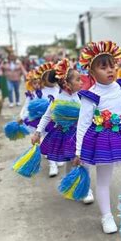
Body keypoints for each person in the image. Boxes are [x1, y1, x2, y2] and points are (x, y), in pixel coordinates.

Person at [74, 40, 121, 234]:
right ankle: (106, 216)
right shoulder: (90, 95)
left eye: (112, 65)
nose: (110, 70)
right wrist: (78, 151)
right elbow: (83, 124)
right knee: (103, 179)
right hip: (102, 138)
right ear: (92, 72)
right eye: (103, 67)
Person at [31, 59, 94, 204]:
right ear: (67, 84)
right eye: (78, 80)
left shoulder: (82, 97)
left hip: (80, 135)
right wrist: (38, 132)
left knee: (83, 162)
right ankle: (70, 186)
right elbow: (47, 116)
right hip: (64, 135)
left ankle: (86, 189)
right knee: (69, 162)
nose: (81, 82)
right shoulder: (57, 99)